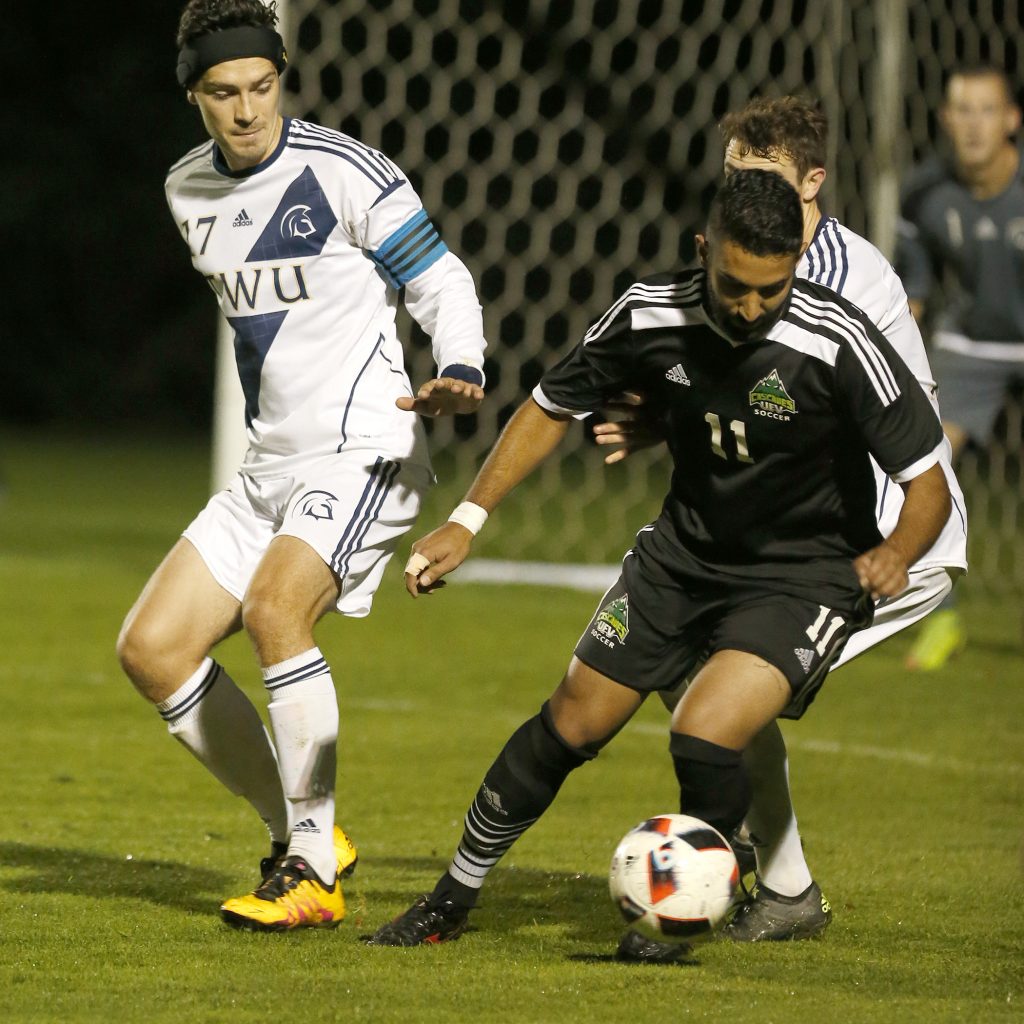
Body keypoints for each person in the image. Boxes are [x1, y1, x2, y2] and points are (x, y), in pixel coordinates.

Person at [364, 169, 952, 952]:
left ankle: (682, 917)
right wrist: (467, 520)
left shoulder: (836, 338)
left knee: (704, 730)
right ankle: (451, 900)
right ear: (704, 250)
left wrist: (899, 551)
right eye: (735, 285)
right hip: (680, 560)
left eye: (769, 292)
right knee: (572, 720)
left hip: (802, 576)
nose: (750, 308)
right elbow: (550, 405)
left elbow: (929, 482)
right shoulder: (650, 312)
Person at [116, 0, 486, 932]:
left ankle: (311, 870)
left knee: (276, 611)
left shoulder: (341, 171)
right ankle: (301, 829)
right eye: (223, 93)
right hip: (269, 464)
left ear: (281, 78)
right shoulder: (183, 190)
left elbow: (439, 277)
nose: (247, 110)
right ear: (195, 97)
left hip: (364, 445)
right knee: (153, 650)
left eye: (262, 86)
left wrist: (460, 365)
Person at [593, 96, 968, 957]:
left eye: (761, 183)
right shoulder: (766, 260)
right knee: (703, 677)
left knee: (710, 676)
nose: (741, 197)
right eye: (733, 178)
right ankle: (771, 864)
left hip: (883, 536)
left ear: (813, 184)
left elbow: (812, 410)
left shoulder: (837, 278)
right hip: (799, 533)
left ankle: (774, 873)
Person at [896, 63, 1024, 670]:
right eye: (962, 111)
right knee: (913, 464)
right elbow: (914, 293)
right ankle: (937, 615)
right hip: (971, 344)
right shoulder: (924, 193)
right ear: (946, 120)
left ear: (1012, 121)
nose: (974, 125)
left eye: (987, 110)